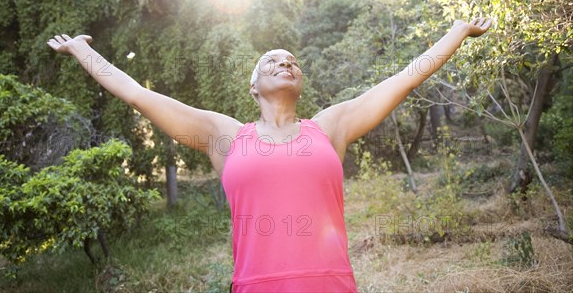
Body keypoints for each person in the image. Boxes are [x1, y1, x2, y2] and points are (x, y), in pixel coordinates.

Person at [47, 17, 493, 292]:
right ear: (252, 86)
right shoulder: (224, 135)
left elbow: (402, 80)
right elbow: (139, 95)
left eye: (293, 61)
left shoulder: (330, 127)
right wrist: (83, 50)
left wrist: (457, 33)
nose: (285, 63)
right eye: (271, 61)